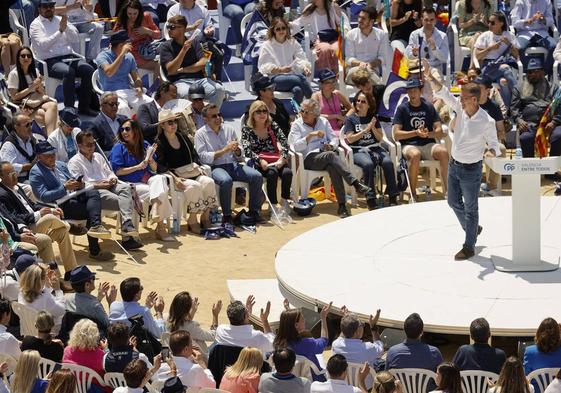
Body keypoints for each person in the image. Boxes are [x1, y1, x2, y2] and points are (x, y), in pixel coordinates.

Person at [425, 60, 499, 260]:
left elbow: (495, 144)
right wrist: (430, 77)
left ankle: (469, 246)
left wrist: (491, 152)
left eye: (465, 98)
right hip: (454, 165)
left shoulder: (487, 121)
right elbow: (444, 93)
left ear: (474, 100)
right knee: (452, 201)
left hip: (471, 170)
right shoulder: (460, 107)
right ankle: (472, 229)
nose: (461, 100)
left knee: (472, 208)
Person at [29, 140, 114, 261]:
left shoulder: (60, 165)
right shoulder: (36, 172)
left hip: (74, 195)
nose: (52, 157)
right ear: (39, 157)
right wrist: (64, 188)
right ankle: (95, 248)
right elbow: (43, 196)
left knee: (93, 193)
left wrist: (79, 183)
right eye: (48, 155)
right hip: (60, 204)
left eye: (53, 154)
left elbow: (72, 180)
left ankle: (95, 226)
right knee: (91, 211)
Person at [289, 98, 372, 218]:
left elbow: (334, 138)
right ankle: (355, 183)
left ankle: (342, 206)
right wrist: (309, 137)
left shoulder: (323, 121)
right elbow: (295, 146)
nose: (303, 114)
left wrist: (331, 145)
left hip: (326, 156)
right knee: (332, 156)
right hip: (308, 159)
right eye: (302, 111)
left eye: (307, 112)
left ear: (316, 113)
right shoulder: (297, 125)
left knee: (332, 166)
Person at [0, 160, 78, 277]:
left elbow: (33, 205)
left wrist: (49, 209)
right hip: (28, 225)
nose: (14, 175)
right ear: (1, 177)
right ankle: (70, 226)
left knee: (61, 232)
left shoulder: (16, 187)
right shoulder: (2, 194)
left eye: (14, 171)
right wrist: (38, 214)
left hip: (33, 224)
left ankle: (71, 271)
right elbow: (14, 217)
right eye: (9, 173)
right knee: (50, 218)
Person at [68, 130, 143, 250]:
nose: (92, 147)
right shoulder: (74, 162)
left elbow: (109, 173)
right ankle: (127, 238)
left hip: (108, 185)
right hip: (94, 191)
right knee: (124, 201)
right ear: (79, 145)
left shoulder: (98, 156)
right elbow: (79, 184)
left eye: (93, 144)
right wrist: (98, 185)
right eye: (88, 145)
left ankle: (127, 224)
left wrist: (112, 179)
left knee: (125, 188)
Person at [195, 104, 264, 225]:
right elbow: (203, 157)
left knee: (257, 176)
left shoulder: (229, 129)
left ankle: (254, 211)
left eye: (219, 114)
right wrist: (224, 150)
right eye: (214, 116)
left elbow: (240, 154)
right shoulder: (200, 134)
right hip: (215, 167)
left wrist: (237, 150)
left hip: (233, 165)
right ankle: (227, 215)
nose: (218, 118)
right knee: (226, 181)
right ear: (205, 119)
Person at [110, 118, 175, 241]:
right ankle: (160, 227)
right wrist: (138, 167)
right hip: (129, 184)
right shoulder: (118, 147)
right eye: (122, 129)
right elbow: (117, 171)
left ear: (135, 131)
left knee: (159, 178)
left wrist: (150, 160)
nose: (124, 132)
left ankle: (155, 207)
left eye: (127, 129)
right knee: (162, 192)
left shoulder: (145, 144)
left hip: (146, 180)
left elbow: (155, 169)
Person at [29, 0, 97, 116]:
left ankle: (84, 107)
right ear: (39, 9)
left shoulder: (60, 20)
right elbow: (43, 45)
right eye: (45, 6)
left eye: (51, 6)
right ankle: (69, 110)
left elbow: (75, 38)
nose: (49, 8)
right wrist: (60, 31)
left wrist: (67, 28)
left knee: (88, 70)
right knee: (68, 72)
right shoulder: (35, 25)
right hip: (49, 61)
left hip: (69, 57)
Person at [156, 109, 218, 233]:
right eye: (169, 122)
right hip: (175, 177)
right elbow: (161, 167)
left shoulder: (183, 137)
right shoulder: (159, 143)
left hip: (191, 172)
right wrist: (175, 178)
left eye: (174, 121)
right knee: (194, 186)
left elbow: (194, 155)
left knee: (209, 182)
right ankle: (192, 219)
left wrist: (199, 167)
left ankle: (205, 217)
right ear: (162, 125)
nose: (173, 124)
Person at [345, 91, 400, 209]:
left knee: (388, 162)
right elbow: (349, 139)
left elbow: (380, 138)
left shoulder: (373, 118)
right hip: (357, 149)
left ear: (369, 104)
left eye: (363, 101)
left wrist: (373, 128)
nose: (359, 103)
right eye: (357, 101)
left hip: (374, 147)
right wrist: (365, 131)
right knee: (368, 164)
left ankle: (392, 196)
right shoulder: (351, 119)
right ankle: (371, 199)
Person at [241, 100, 293, 217]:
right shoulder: (247, 129)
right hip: (259, 162)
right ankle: (273, 205)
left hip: (275, 159)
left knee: (287, 172)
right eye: (258, 111)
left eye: (264, 111)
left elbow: (285, 143)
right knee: (272, 173)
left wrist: (283, 158)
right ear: (252, 114)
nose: (262, 114)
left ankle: (284, 201)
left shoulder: (272, 125)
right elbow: (247, 150)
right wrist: (260, 160)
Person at [159, 15, 225, 106]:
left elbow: (203, 62)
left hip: (200, 79)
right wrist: (183, 51)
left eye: (172, 27)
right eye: (168, 27)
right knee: (185, 93)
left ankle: (208, 116)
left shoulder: (195, 42)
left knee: (219, 90)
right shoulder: (165, 46)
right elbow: (171, 70)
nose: (169, 30)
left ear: (183, 29)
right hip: (179, 81)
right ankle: (192, 119)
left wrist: (183, 70)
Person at [511, 57, 561, 162]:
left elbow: (559, 107)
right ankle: (531, 169)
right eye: (529, 72)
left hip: (550, 122)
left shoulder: (553, 88)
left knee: (558, 136)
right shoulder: (518, 88)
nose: (532, 74)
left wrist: (554, 122)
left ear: (543, 72)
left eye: (535, 71)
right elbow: (514, 108)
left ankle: (552, 170)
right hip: (529, 123)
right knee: (526, 138)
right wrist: (519, 120)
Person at [95, 30, 152, 118]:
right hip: (110, 93)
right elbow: (109, 72)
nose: (130, 46)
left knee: (150, 104)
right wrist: (121, 54)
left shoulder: (129, 56)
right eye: (127, 43)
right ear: (121, 45)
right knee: (122, 108)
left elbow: (136, 77)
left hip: (128, 91)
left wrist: (138, 86)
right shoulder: (102, 56)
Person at [258, 17, 312, 104]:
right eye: (278, 29)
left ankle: (293, 115)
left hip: (292, 76)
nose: (281, 31)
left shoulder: (292, 42)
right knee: (300, 79)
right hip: (275, 79)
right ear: (273, 31)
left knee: (298, 90)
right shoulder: (266, 45)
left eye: (283, 28)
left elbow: (301, 57)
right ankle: (314, 103)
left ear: (287, 29)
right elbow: (263, 67)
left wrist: (305, 67)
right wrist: (280, 70)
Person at [274, 304, 332, 381]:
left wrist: (289, 311)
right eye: (302, 319)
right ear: (296, 325)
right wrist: (323, 318)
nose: (304, 320)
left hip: (292, 380)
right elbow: (324, 341)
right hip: (313, 380)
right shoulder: (306, 344)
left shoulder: (278, 343)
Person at [7, 46, 57, 134]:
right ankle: (54, 141)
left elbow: (42, 93)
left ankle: (51, 142)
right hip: (24, 107)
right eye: (23, 56)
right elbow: (14, 97)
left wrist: (39, 86)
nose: (26, 58)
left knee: (53, 106)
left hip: (37, 102)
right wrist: (31, 88)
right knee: (49, 117)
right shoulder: (13, 74)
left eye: (29, 56)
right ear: (18, 58)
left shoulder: (35, 72)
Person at [473, 12, 519, 106]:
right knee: (505, 67)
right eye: (489, 22)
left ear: (501, 23)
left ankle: (507, 111)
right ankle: (519, 97)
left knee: (503, 82)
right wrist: (490, 48)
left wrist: (509, 45)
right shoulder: (485, 36)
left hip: (503, 65)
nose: (489, 24)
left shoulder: (509, 35)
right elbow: (477, 56)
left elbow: (517, 56)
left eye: (493, 23)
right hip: (488, 67)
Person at [292, 0, 349, 73]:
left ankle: (337, 74)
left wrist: (345, 29)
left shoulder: (333, 7)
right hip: (319, 39)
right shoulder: (310, 10)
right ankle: (326, 75)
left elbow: (342, 21)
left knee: (336, 48)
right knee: (325, 49)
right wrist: (288, 25)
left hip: (333, 37)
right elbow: (298, 23)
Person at [473, 75, 507, 197]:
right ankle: (471, 187)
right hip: (471, 143)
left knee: (501, 149)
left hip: (488, 142)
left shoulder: (494, 107)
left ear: (488, 91)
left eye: (479, 88)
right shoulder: (469, 103)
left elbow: (501, 130)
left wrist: (490, 144)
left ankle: (490, 186)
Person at [113, 0, 161, 78]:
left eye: (135, 13)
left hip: (148, 50)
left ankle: (157, 88)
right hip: (131, 52)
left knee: (165, 61)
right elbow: (114, 39)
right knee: (159, 66)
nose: (132, 16)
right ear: (125, 12)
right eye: (129, 13)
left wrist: (147, 31)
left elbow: (158, 35)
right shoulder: (121, 21)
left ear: (139, 11)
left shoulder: (146, 16)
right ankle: (157, 89)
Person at [166, 291, 222, 356]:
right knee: (220, 342)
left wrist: (192, 313)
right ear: (187, 310)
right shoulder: (192, 326)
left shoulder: (167, 320)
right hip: (200, 359)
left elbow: (183, 324)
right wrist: (215, 316)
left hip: (180, 356)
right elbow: (213, 336)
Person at [345, 6, 388, 85]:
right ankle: (379, 87)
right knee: (369, 80)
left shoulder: (381, 35)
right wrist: (360, 64)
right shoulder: (351, 34)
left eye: (363, 18)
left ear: (371, 21)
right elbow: (348, 58)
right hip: (355, 70)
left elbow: (382, 58)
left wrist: (370, 65)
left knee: (368, 75)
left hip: (372, 70)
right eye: (359, 17)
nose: (359, 20)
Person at [65, 265, 116, 330]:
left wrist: (98, 299)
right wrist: (111, 304)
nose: (94, 280)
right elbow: (109, 325)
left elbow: (85, 307)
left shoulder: (67, 299)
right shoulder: (95, 306)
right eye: (93, 278)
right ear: (87, 285)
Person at [18, 264, 66, 333]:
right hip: (47, 332)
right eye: (45, 277)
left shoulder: (21, 292)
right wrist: (58, 290)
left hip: (29, 329)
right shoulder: (45, 298)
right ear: (40, 281)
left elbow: (40, 293)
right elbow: (61, 311)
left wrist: (46, 284)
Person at [405, 8, 449, 81]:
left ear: (435, 20)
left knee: (436, 82)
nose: (429, 22)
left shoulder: (442, 36)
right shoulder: (414, 34)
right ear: (421, 20)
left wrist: (435, 49)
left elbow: (445, 58)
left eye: (431, 20)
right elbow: (407, 56)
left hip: (435, 69)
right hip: (418, 68)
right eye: (426, 20)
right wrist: (414, 54)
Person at [0, 112, 40, 182]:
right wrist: (27, 167)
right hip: (18, 180)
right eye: (27, 125)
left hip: (35, 175)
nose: (31, 127)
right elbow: (7, 169)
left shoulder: (33, 139)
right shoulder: (9, 145)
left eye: (31, 124)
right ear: (16, 127)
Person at [312, 69, 352, 135]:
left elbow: (352, 108)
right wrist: (336, 116)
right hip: (324, 129)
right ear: (321, 84)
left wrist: (345, 117)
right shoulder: (316, 96)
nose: (332, 85)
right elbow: (314, 116)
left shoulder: (337, 94)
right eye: (328, 82)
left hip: (341, 128)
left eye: (333, 82)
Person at [0, 0, 23, 74]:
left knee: (14, 42)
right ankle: (8, 73)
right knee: (5, 44)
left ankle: (18, 72)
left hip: (9, 33)